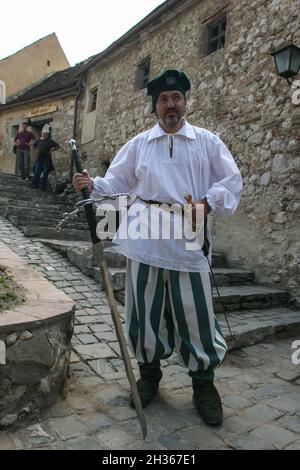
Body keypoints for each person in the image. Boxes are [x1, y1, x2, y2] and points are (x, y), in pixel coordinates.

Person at [73, 69, 243, 426]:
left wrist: (208, 204)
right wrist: (91, 183)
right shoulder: (139, 144)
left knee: (194, 314)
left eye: (177, 98)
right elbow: (116, 183)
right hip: (145, 235)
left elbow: (230, 181)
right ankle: (149, 376)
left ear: (185, 102)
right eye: (164, 99)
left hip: (188, 235)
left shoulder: (207, 142)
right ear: (155, 106)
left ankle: (203, 384)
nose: (171, 105)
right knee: (143, 311)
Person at [32, 124, 59, 190]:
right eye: (44, 134)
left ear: (48, 134)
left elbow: (58, 146)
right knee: (37, 171)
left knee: (45, 173)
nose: (45, 135)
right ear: (42, 134)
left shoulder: (50, 141)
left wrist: (52, 149)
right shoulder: (39, 140)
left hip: (47, 158)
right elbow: (34, 145)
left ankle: (43, 186)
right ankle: (35, 185)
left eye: (46, 134)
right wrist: (36, 150)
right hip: (40, 158)